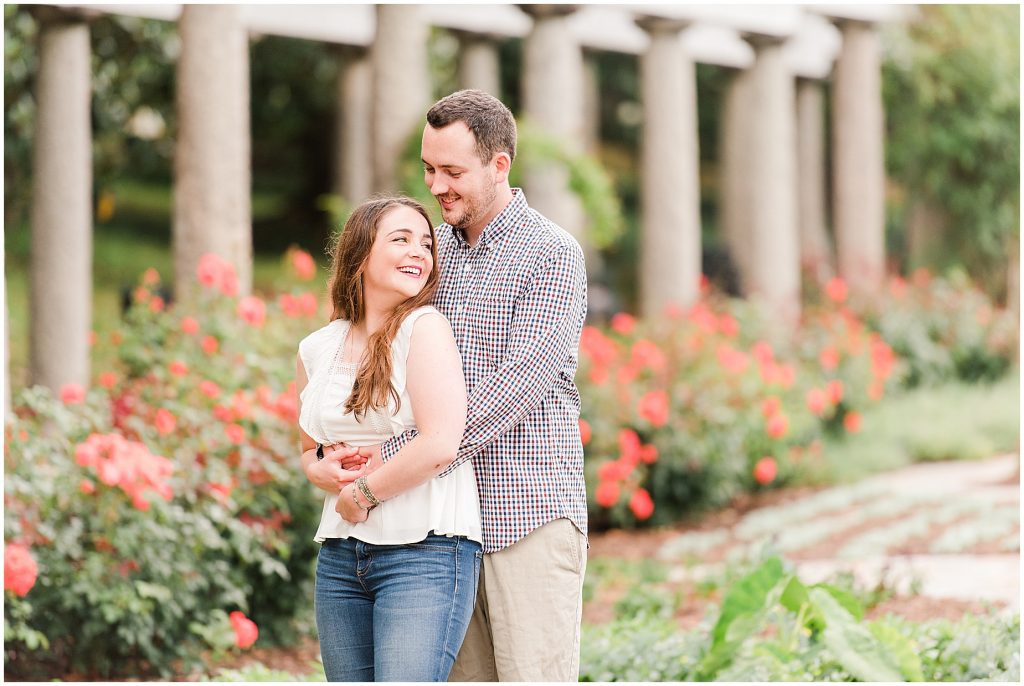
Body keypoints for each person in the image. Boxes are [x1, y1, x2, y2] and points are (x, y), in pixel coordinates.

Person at [345, 89, 589, 681]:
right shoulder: (432, 255)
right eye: (429, 169)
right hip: (441, 530)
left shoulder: (551, 254)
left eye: (453, 171)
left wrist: (392, 460)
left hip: (526, 513)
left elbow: (518, 386)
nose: (436, 185)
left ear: (499, 165)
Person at [296, 196, 482, 682]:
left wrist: (361, 493)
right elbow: (308, 450)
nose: (419, 251)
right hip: (341, 554)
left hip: (425, 551)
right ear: (360, 254)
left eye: (426, 243)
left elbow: (442, 441)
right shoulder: (317, 347)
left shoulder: (425, 329)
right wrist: (319, 470)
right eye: (401, 240)